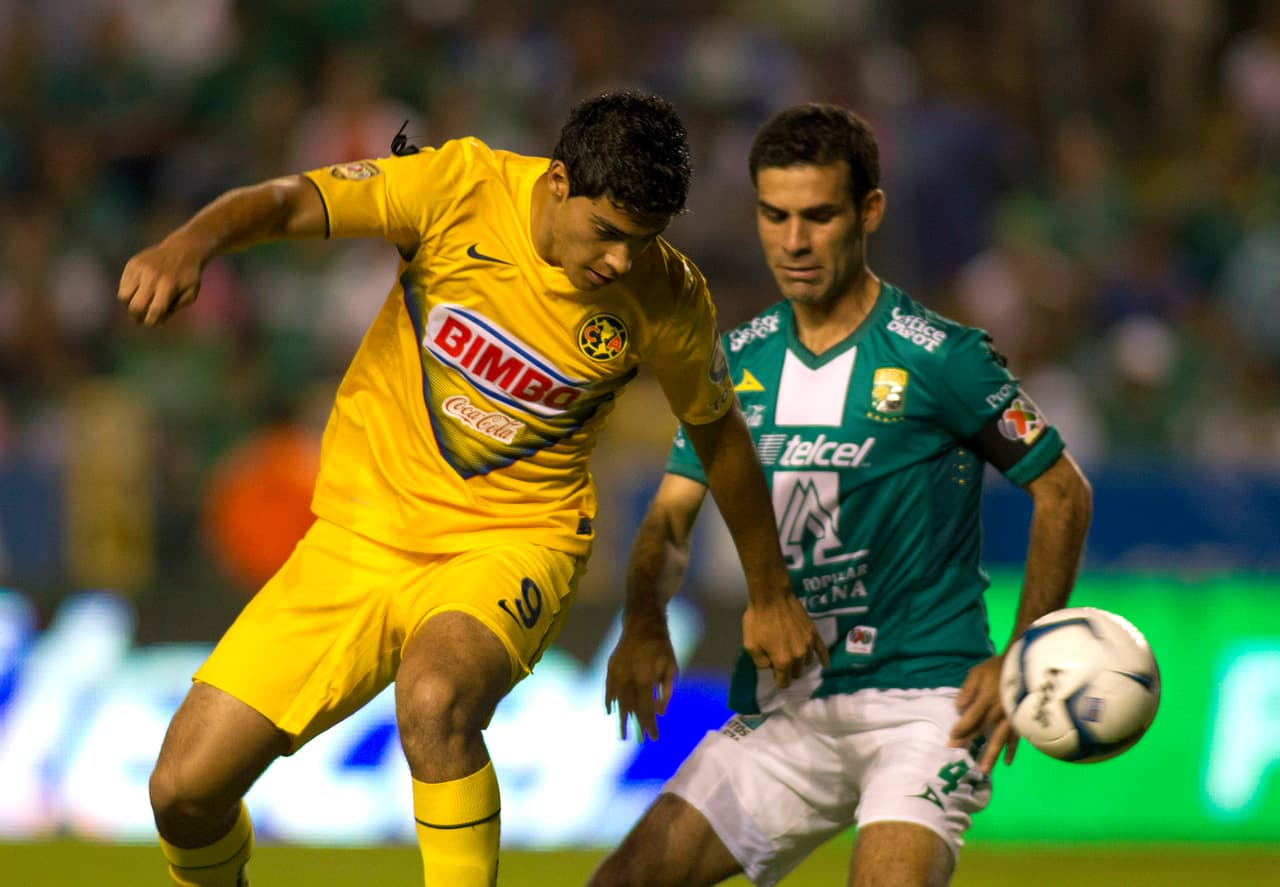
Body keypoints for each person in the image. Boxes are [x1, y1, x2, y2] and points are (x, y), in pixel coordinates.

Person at [117, 91, 828, 887]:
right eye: (608, 233)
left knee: (436, 697)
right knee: (183, 789)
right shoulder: (457, 189)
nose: (622, 261)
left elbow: (720, 436)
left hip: (515, 539)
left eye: (643, 240)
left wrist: (768, 591)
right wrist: (190, 244)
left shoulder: (666, 295)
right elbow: (290, 200)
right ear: (558, 183)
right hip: (360, 536)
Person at [589, 103, 1093, 887]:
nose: (793, 241)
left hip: (926, 703)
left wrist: (1024, 653)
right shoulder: (735, 364)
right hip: (788, 712)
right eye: (775, 215)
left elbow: (1063, 491)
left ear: (870, 211)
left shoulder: (941, 357)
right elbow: (668, 519)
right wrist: (647, 616)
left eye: (819, 216)